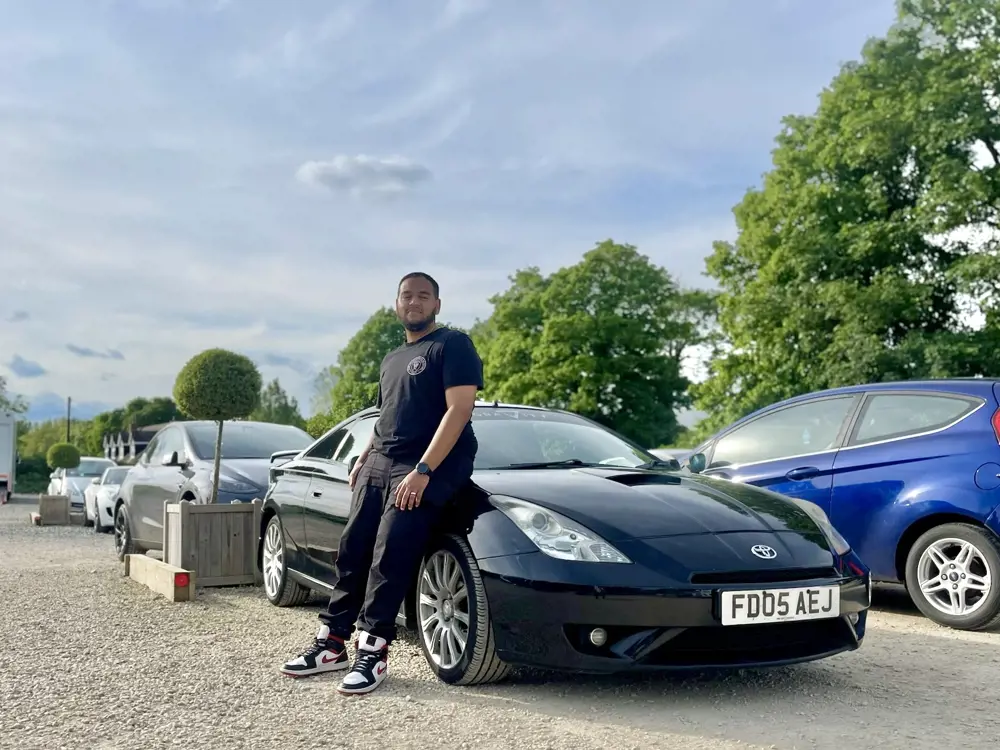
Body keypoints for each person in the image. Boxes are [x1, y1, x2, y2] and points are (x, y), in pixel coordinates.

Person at [279, 271, 483, 695]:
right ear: (397, 305)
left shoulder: (452, 345)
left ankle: (372, 651)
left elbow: (459, 410)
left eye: (423, 296)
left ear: (437, 305)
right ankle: (332, 644)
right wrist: (366, 456)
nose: (414, 302)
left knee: (390, 555)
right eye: (407, 296)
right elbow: (385, 414)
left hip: (426, 464)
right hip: (380, 463)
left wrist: (423, 471)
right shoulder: (391, 359)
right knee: (353, 550)